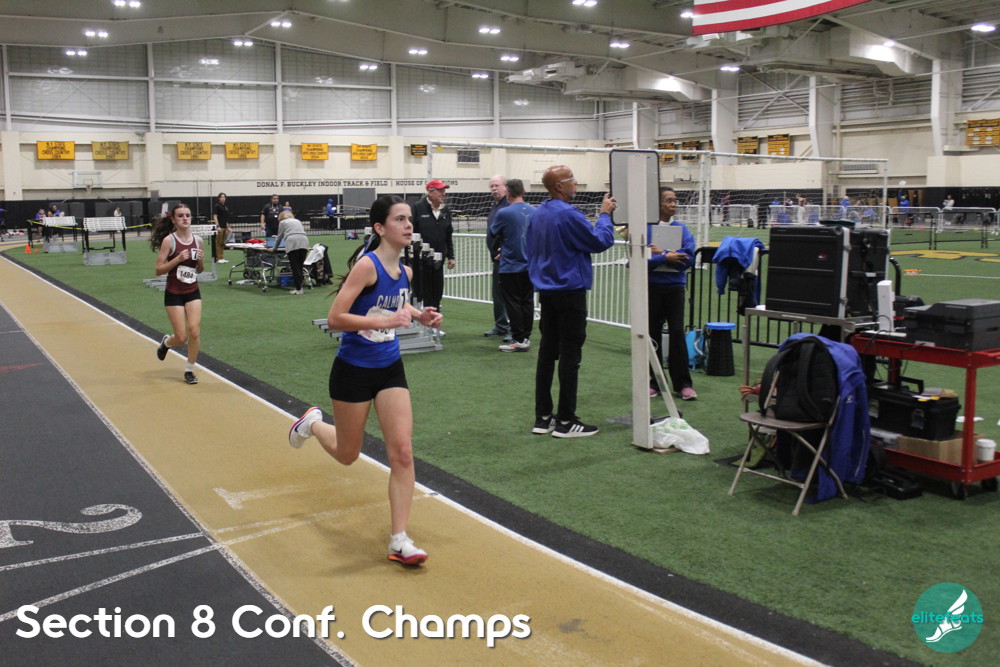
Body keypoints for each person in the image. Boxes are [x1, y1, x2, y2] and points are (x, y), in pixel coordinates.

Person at [288, 194, 442, 566]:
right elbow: (336, 317)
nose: (408, 225)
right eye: (399, 219)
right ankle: (312, 423)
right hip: (353, 371)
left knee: (402, 452)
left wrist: (418, 316)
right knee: (348, 454)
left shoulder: (405, 271)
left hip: (390, 369)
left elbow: (397, 304)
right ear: (379, 228)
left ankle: (399, 539)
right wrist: (384, 321)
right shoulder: (366, 266)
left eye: (409, 218)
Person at [526, 165, 616, 438]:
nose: (576, 183)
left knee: (547, 354)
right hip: (570, 292)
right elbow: (600, 241)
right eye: (572, 179)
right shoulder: (568, 214)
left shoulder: (538, 214)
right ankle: (566, 420)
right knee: (569, 355)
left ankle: (543, 418)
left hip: (547, 292)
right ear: (559, 186)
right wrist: (604, 215)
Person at [646, 187, 697, 400]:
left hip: (675, 288)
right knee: (652, 334)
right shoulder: (646, 229)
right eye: (668, 200)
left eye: (675, 200)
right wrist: (664, 258)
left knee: (677, 332)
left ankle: (683, 384)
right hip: (652, 288)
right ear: (657, 204)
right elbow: (640, 259)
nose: (673, 204)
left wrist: (663, 253)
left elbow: (689, 258)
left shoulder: (682, 229)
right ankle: (655, 382)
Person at [151, 203, 204, 385]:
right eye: (180, 216)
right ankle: (167, 343)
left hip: (192, 290)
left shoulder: (198, 241)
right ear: (173, 220)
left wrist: (200, 261)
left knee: (194, 331)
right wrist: (178, 259)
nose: (185, 219)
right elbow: (158, 270)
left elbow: (200, 269)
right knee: (181, 337)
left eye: (187, 215)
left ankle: (189, 370)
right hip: (174, 292)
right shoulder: (169, 241)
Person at [490, 178, 534, 352]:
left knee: (513, 303)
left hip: (510, 266)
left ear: (508, 192)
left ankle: (518, 339)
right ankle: (526, 337)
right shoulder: (534, 211)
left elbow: (494, 232)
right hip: (530, 265)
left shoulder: (504, 213)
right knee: (527, 301)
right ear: (524, 192)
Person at [410, 179, 455, 312]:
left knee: (437, 292)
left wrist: (451, 256)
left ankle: (434, 320)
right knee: (420, 292)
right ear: (430, 192)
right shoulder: (418, 207)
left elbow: (448, 235)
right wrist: (411, 251)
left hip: (438, 260)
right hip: (420, 260)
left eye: (444, 190)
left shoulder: (445, 210)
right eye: (440, 190)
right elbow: (411, 231)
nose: (443, 193)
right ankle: (418, 319)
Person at [484, 175, 512, 341]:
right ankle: (501, 325)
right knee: (498, 294)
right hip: (496, 259)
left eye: (497, 185)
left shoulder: (509, 205)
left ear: (505, 187)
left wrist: (506, 250)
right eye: (492, 186)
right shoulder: (495, 206)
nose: (494, 189)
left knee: (509, 295)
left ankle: (513, 328)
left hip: (507, 259)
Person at [274, 209, 309, 294]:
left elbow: (279, 237)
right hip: (304, 241)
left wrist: (274, 248)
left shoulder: (282, 222)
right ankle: (300, 286)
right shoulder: (297, 221)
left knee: (295, 267)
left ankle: (298, 289)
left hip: (292, 242)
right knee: (300, 266)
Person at [213, 192, 232, 264]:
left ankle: (222, 257)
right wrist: (217, 226)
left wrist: (228, 227)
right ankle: (218, 258)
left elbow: (225, 218)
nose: (223, 198)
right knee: (218, 242)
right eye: (221, 197)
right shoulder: (217, 206)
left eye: (224, 197)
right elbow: (215, 216)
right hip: (220, 227)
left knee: (222, 243)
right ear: (219, 198)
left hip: (224, 227)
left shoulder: (225, 207)